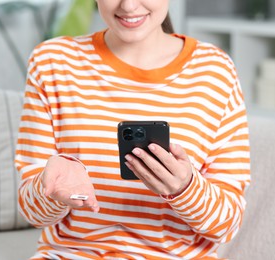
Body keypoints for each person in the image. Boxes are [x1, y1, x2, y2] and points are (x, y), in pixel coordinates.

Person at [15, 0, 251, 259]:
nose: (128, 6)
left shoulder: (215, 71)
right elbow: (32, 212)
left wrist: (186, 189)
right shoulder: (52, 62)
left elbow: (227, 225)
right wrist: (51, 191)